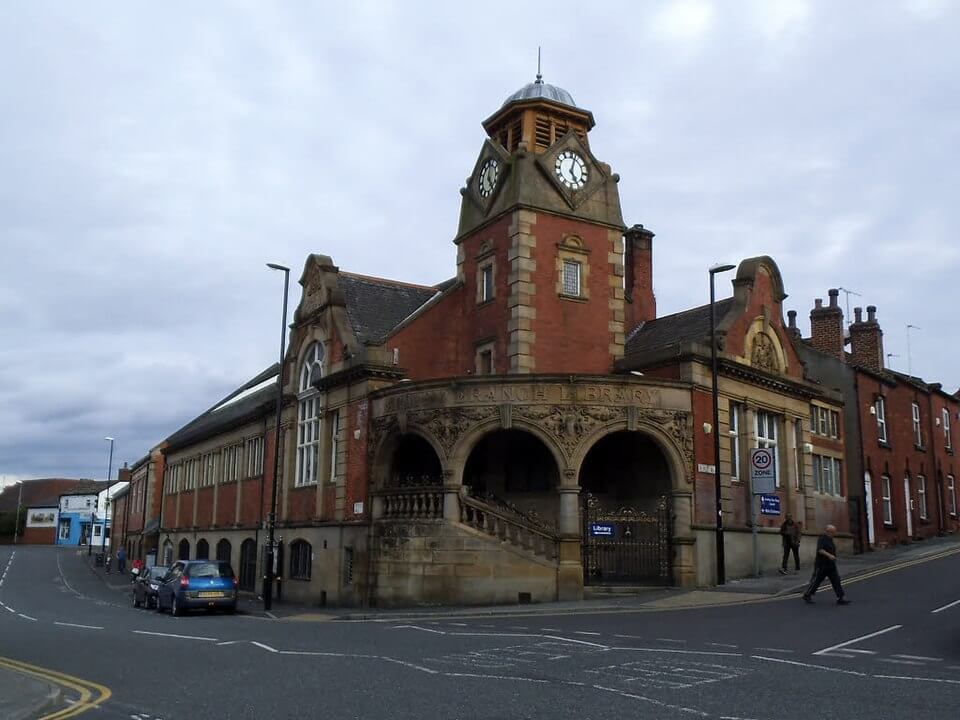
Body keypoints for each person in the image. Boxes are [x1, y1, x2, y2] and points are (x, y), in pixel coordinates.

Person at [802, 524, 850, 605]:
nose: (834, 534)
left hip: (831, 565)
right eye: (833, 532)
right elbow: (820, 550)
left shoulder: (830, 539)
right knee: (816, 581)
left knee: (836, 581)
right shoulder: (822, 539)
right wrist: (830, 555)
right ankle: (807, 595)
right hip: (822, 565)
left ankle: (840, 598)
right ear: (829, 532)